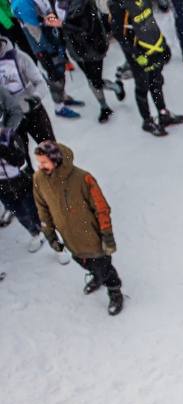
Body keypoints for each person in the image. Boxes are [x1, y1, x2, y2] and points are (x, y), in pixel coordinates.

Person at [32, 141, 124, 315]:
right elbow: (42, 208)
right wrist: (50, 234)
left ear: (55, 160)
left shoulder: (83, 178)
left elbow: (101, 208)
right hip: (70, 239)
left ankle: (114, 290)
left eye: (44, 162)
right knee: (84, 262)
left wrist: (107, 236)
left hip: (92, 238)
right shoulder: (39, 179)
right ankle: (96, 277)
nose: (40, 166)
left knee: (104, 268)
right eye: (38, 161)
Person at [110, 0, 183, 135]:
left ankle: (163, 114)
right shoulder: (117, 4)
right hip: (137, 54)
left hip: (153, 46)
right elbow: (119, 34)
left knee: (157, 81)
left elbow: (149, 19)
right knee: (142, 86)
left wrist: (162, 42)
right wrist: (136, 54)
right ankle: (147, 121)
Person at [0, 90, 54, 256]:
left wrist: (5, 144)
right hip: (2, 185)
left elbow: (19, 159)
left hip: (18, 176)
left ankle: (53, 239)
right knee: (19, 211)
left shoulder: (8, 136)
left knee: (33, 206)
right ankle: (34, 233)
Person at [57, 0, 127, 122]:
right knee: (91, 79)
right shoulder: (57, 3)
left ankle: (114, 89)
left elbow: (85, 28)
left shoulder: (81, 3)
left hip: (92, 47)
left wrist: (61, 24)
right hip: (75, 49)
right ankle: (105, 105)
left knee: (95, 80)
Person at [11, 0, 83, 116]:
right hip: (44, 48)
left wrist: (56, 29)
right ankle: (59, 107)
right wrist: (49, 50)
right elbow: (34, 30)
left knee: (59, 72)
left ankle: (63, 97)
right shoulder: (22, 3)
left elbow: (47, 14)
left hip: (51, 40)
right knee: (55, 76)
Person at [0, 34, 55, 145]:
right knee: (20, 159)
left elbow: (40, 82)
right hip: (9, 117)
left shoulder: (19, 57)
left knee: (51, 150)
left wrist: (35, 97)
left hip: (33, 110)